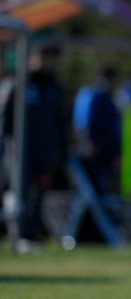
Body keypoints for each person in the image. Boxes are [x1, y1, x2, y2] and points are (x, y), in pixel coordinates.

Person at [1, 45, 69, 251]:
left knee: (38, 196)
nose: (48, 63)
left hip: (46, 153)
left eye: (52, 59)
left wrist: (61, 153)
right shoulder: (19, 85)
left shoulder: (55, 89)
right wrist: (9, 145)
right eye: (45, 57)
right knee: (19, 194)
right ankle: (18, 235)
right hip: (20, 152)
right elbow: (6, 120)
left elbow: (61, 123)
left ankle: (31, 237)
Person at [72, 65, 122, 194]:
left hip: (103, 150)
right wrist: (90, 142)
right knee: (95, 186)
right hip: (98, 151)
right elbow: (89, 122)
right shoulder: (97, 96)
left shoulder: (103, 97)